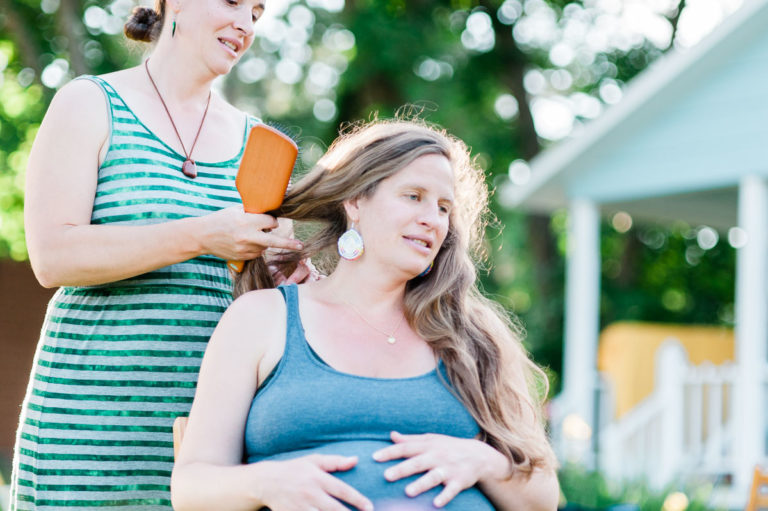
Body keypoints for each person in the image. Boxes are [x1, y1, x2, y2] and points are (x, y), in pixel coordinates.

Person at [170, 119, 560, 511]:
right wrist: (266, 483)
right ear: (355, 201)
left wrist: (487, 462)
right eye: (413, 196)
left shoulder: (472, 333)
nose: (433, 218)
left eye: (444, 207)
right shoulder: (261, 317)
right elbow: (191, 487)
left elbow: (542, 496)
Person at [10, 1, 309, 509]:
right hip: (84, 434)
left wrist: (286, 280)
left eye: (257, 13)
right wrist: (202, 234)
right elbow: (52, 255)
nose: (245, 25)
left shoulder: (260, 146)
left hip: (207, 449)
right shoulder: (90, 103)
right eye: (235, 2)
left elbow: (258, 302)